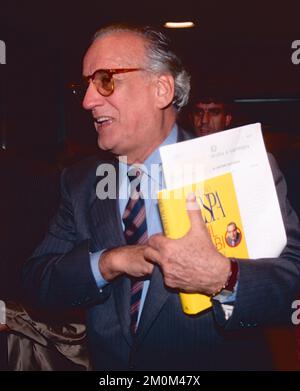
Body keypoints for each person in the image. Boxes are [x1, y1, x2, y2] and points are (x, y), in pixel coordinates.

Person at [22, 24, 300, 371]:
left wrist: (224, 279)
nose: (87, 100)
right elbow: (38, 283)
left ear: (162, 89)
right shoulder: (80, 182)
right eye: (85, 84)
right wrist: (107, 263)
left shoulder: (236, 164)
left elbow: (292, 279)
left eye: (105, 79)